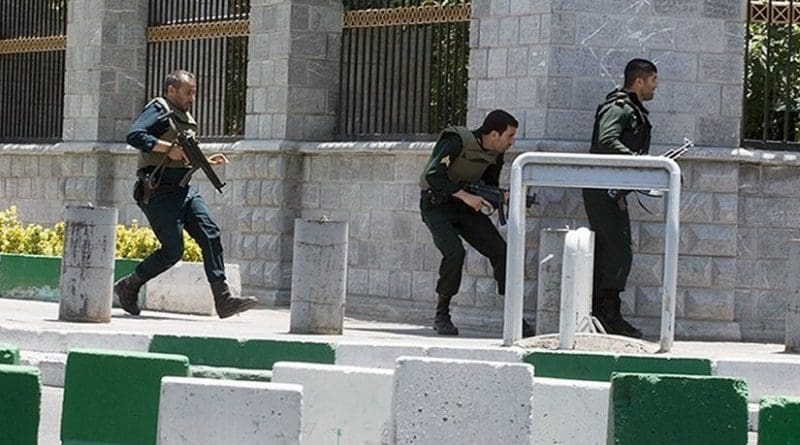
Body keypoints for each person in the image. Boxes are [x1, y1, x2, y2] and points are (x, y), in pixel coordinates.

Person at [114, 70, 257, 319]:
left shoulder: (182, 116)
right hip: (158, 192)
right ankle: (129, 285)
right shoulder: (158, 110)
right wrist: (167, 149)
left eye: (193, 92)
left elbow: (183, 154)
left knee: (210, 233)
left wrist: (206, 161)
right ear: (171, 90)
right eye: (187, 92)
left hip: (183, 189)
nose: (192, 97)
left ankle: (223, 299)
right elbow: (134, 135)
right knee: (173, 250)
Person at [419, 109, 534, 337]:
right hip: (437, 206)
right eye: (509, 136)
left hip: (466, 209)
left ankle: (513, 315)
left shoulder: (495, 155)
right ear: (493, 134)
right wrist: (464, 195)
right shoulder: (457, 141)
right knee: (454, 252)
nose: (512, 141)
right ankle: (442, 314)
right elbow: (434, 175)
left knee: (502, 252)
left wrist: (499, 196)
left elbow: (487, 184)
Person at [583, 58, 658, 339]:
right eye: (652, 82)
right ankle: (607, 314)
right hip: (602, 188)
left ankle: (602, 312)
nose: (654, 88)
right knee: (617, 250)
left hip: (611, 188)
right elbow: (606, 141)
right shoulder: (620, 107)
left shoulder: (632, 109)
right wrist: (638, 161)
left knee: (611, 250)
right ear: (638, 81)